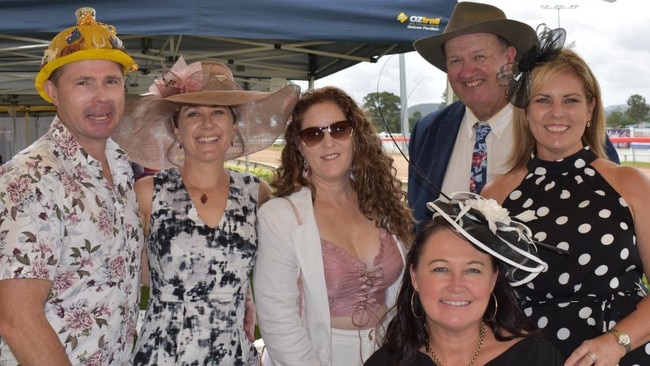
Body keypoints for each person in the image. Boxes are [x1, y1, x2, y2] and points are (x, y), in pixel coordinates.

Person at [112, 56, 300, 365]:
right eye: (193, 114)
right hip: (162, 355)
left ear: (233, 123)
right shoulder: (147, 193)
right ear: (176, 126)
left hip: (233, 354)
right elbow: (122, 276)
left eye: (218, 112)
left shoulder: (257, 194)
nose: (207, 124)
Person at [481, 25, 650, 366]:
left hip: (621, 355)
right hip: (528, 355)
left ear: (590, 109)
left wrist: (615, 342)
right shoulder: (496, 194)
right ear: (526, 110)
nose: (556, 113)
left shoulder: (630, 183)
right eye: (543, 100)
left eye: (570, 100)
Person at [0, 7, 142, 365]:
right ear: (52, 92)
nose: (101, 97)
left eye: (111, 81)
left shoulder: (120, 165)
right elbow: (17, 320)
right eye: (83, 83)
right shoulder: (30, 178)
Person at [407, 2, 620, 231]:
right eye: (456, 61)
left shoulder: (556, 125)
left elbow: (610, 205)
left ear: (509, 57)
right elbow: (416, 220)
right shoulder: (428, 131)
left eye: (479, 56)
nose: (467, 72)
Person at [253, 86, 415, 365]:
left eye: (339, 129)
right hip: (315, 355)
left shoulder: (382, 204)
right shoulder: (280, 216)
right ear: (299, 146)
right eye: (313, 134)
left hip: (388, 354)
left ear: (356, 136)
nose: (328, 142)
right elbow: (278, 318)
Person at [365, 192, 565, 366]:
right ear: (415, 277)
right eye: (440, 269)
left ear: (493, 280)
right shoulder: (383, 363)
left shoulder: (537, 359)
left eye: (473, 271)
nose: (456, 285)